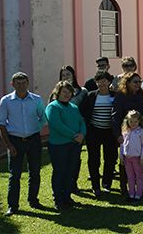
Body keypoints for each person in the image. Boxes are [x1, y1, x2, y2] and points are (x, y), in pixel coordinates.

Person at [0, 72, 46, 216]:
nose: (21, 85)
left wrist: (34, 130)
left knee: (35, 171)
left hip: (33, 140)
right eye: (18, 83)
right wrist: (9, 145)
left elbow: (42, 117)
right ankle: (13, 206)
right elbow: (1, 124)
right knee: (15, 175)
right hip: (15, 141)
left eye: (23, 82)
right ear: (12, 84)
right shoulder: (6, 101)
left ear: (28, 83)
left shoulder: (36, 99)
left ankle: (33, 200)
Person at [45, 81, 86, 211]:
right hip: (59, 146)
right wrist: (74, 135)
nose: (67, 94)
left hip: (74, 145)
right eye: (64, 91)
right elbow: (56, 125)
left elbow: (82, 121)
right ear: (58, 93)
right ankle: (58, 199)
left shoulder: (73, 107)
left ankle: (67, 197)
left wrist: (82, 134)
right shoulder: (53, 107)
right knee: (60, 172)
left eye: (69, 92)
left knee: (70, 172)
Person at [111, 72, 143, 195]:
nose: (138, 84)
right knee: (125, 161)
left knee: (140, 159)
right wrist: (118, 134)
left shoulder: (141, 95)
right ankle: (125, 188)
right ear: (127, 83)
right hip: (125, 133)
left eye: (139, 82)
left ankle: (139, 188)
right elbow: (115, 116)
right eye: (135, 82)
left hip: (140, 132)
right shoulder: (121, 96)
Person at [79, 70, 116, 196]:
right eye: (99, 80)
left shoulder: (114, 95)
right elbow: (83, 112)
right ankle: (95, 186)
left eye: (104, 80)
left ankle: (107, 184)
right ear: (96, 82)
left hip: (110, 132)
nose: (102, 83)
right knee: (94, 159)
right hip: (94, 131)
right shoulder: (90, 96)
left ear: (109, 81)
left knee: (110, 158)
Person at [119, 110, 143, 201]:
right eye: (131, 121)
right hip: (127, 158)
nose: (133, 123)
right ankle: (131, 193)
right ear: (127, 121)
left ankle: (139, 193)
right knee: (130, 176)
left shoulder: (142, 132)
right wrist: (121, 156)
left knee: (139, 176)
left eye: (135, 121)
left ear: (139, 121)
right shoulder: (125, 131)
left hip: (137, 158)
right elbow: (122, 144)